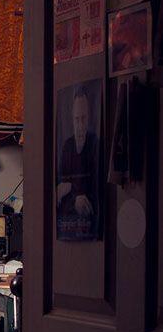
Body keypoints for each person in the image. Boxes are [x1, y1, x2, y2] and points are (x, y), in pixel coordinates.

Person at [56, 86, 100, 239]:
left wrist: (71, 192)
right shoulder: (67, 146)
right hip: (67, 226)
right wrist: (74, 199)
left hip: (92, 228)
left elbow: (97, 188)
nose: (80, 125)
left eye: (83, 118)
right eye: (77, 119)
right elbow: (59, 191)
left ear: (89, 118)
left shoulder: (95, 144)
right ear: (72, 119)